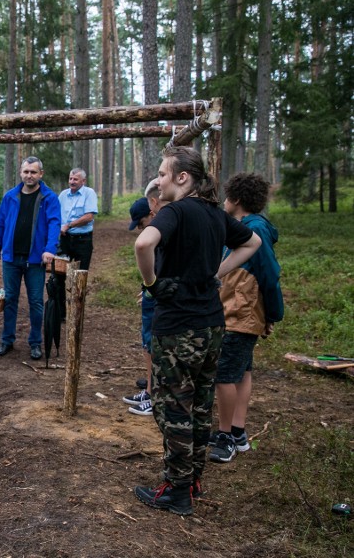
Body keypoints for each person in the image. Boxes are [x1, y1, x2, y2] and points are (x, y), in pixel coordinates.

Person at [133, 146, 260, 516]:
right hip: (212, 325)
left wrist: (152, 283)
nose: (158, 180)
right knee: (201, 405)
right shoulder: (215, 214)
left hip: (177, 328)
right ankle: (194, 479)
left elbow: (144, 242)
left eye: (162, 173)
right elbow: (251, 243)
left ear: (182, 177)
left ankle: (176, 489)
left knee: (172, 406)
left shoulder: (176, 211)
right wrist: (216, 273)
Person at [209, 173, 283, 463]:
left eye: (227, 196)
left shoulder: (256, 230)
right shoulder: (242, 226)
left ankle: (226, 435)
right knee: (243, 371)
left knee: (224, 374)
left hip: (241, 313)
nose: (224, 201)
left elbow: (270, 274)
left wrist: (273, 313)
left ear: (236, 200)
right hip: (236, 310)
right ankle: (237, 431)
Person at [0, 156, 61, 360]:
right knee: (10, 300)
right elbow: (0, 225)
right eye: (26, 171)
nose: (29, 175)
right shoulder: (10, 196)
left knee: (36, 302)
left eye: (33, 172)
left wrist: (50, 249)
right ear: (21, 173)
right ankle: (7, 340)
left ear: (41, 174)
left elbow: (55, 224)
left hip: (35, 261)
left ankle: (35, 343)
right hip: (11, 259)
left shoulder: (49, 198)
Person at [122, 181, 165, 417]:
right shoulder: (155, 229)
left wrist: (152, 287)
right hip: (152, 294)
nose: (140, 229)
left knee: (155, 345)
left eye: (141, 223)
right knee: (148, 344)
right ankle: (149, 391)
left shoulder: (162, 228)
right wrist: (147, 288)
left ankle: (154, 395)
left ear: (152, 211)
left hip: (159, 297)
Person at [57, 168, 98, 270]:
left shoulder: (89, 193)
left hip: (83, 240)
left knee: (80, 275)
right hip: (65, 240)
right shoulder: (63, 195)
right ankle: (58, 286)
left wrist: (68, 225)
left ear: (83, 181)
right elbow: (55, 214)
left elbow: (89, 216)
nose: (71, 182)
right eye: (70, 179)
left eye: (75, 179)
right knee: (58, 272)